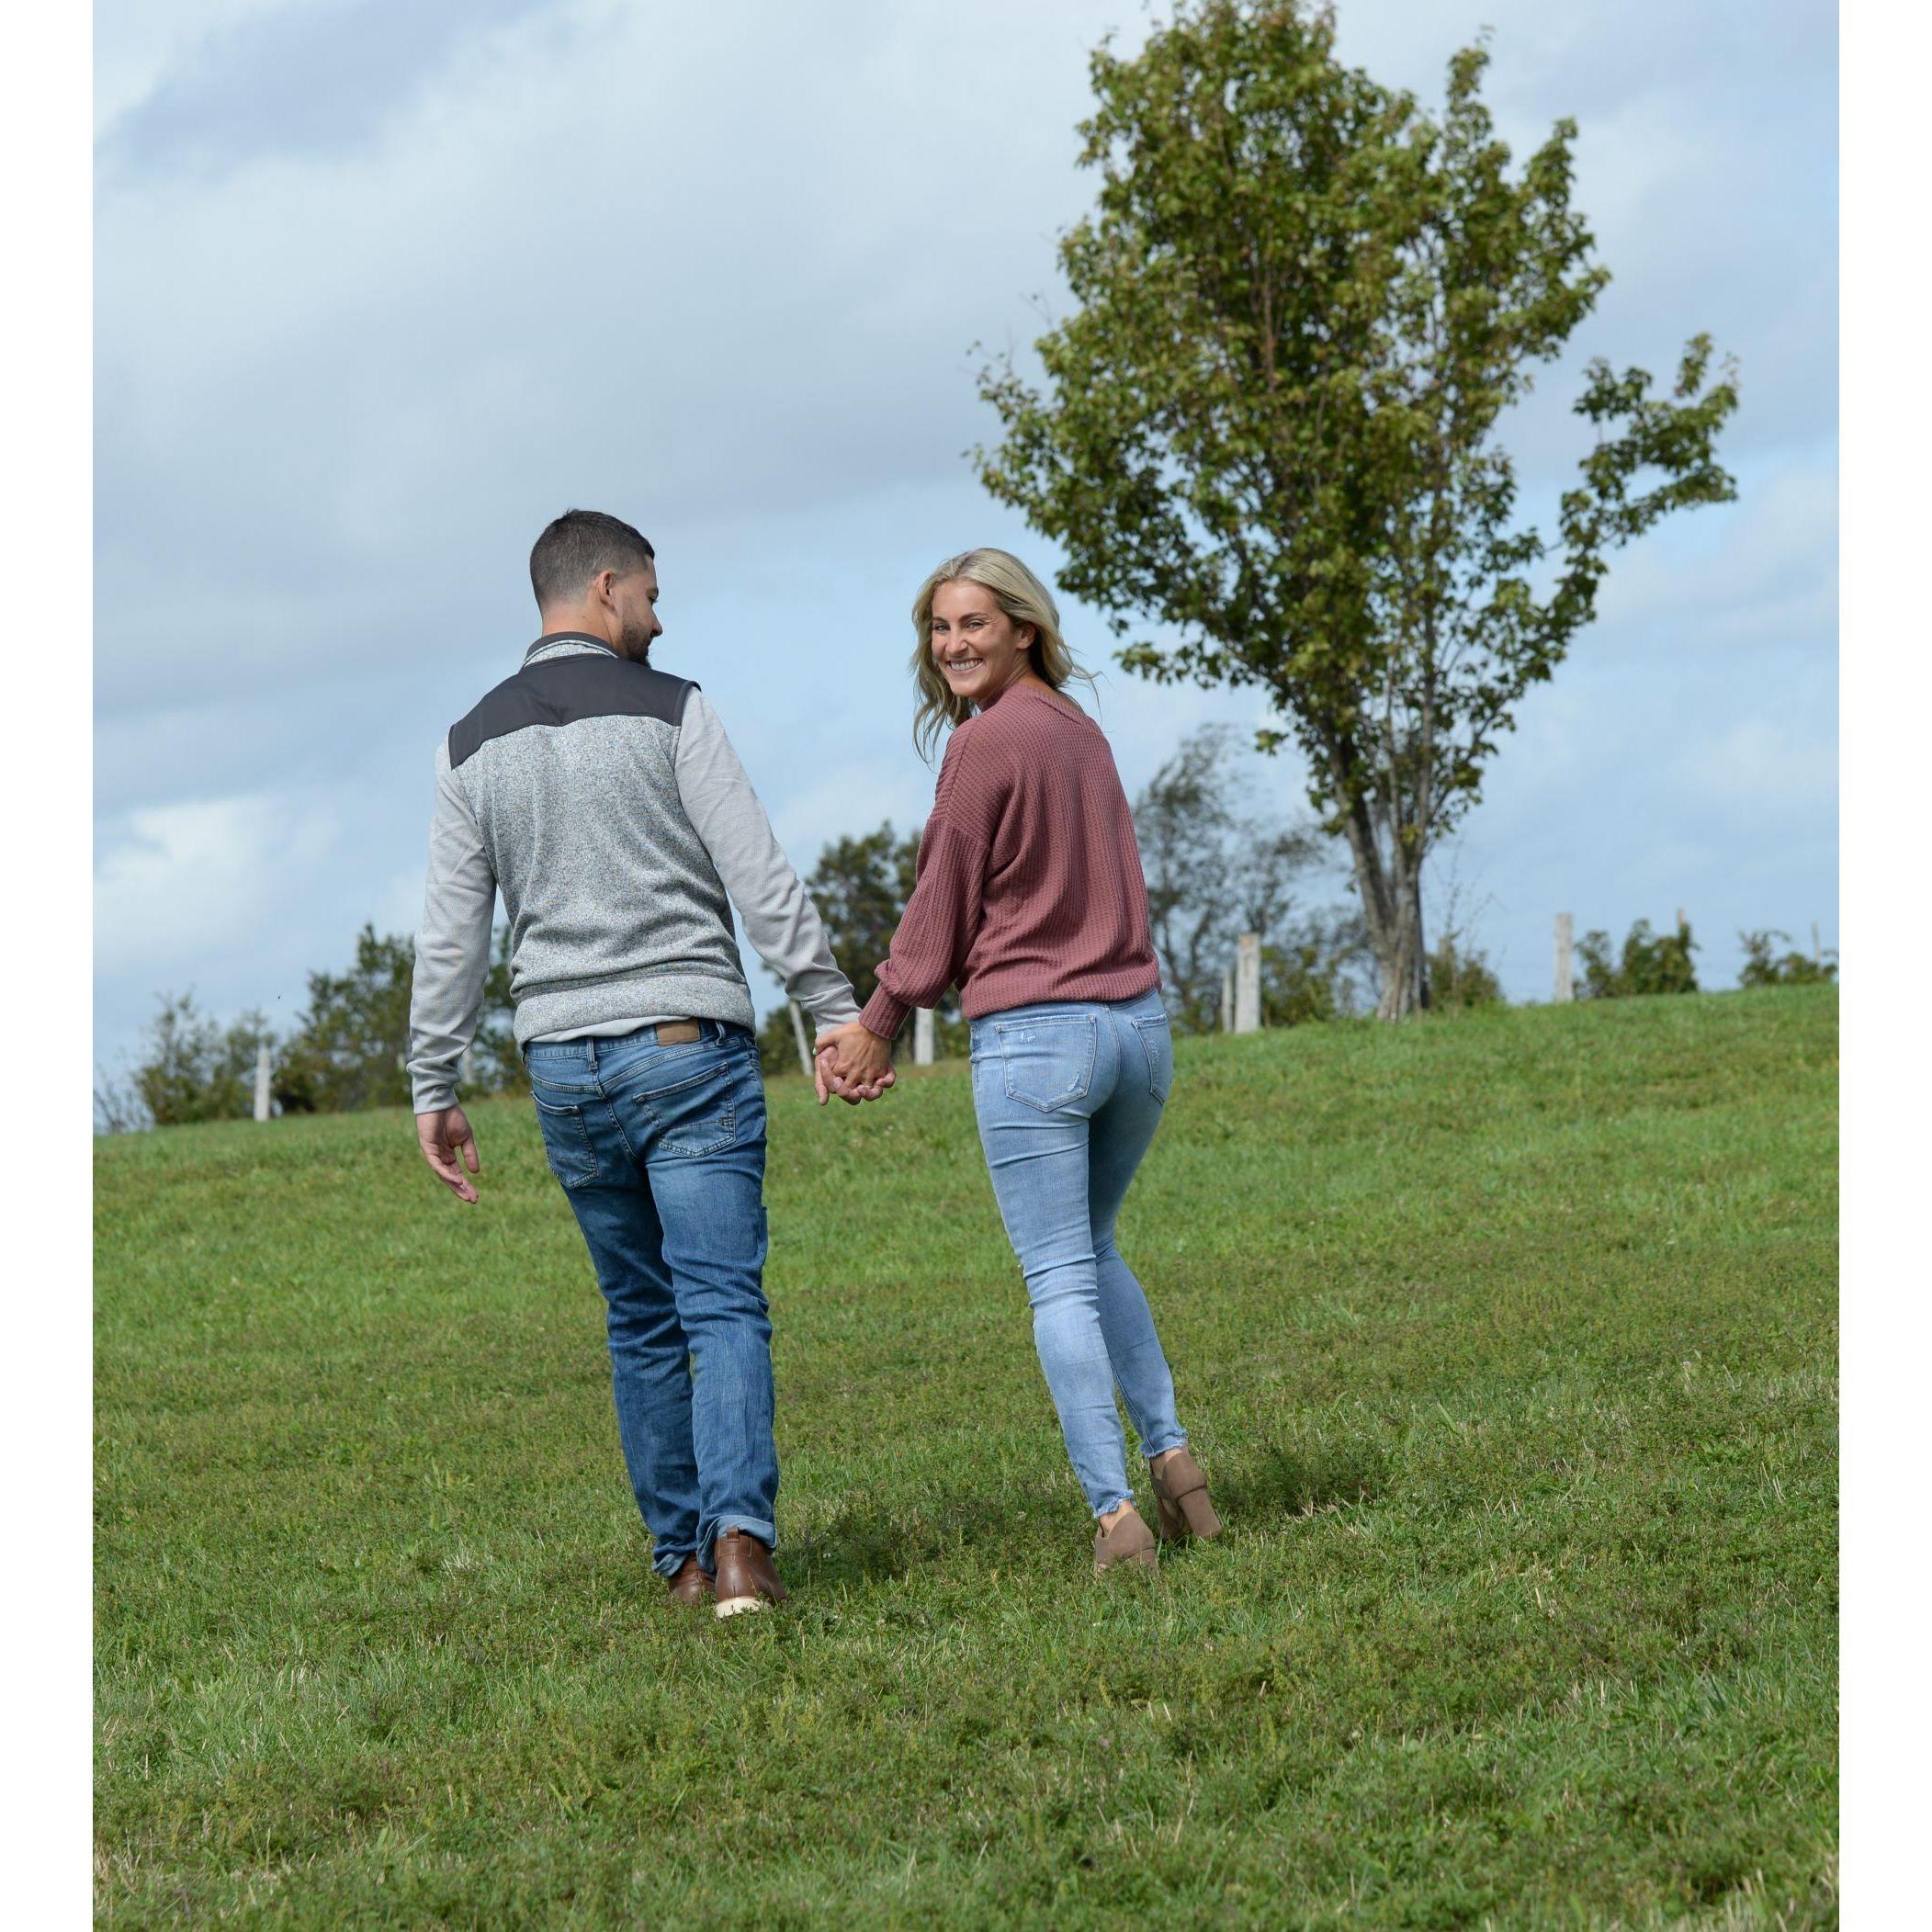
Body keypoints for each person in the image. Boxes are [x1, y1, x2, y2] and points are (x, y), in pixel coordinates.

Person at [407, 509, 887, 1619]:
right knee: (721, 1306)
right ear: (606, 587)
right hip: (686, 1048)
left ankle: (680, 1563)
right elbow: (759, 874)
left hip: (564, 1068)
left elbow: (450, 939)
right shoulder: (675, 709)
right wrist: (830, 1005)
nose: (659, 623)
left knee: (639, 1317)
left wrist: (435, 1084)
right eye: (653, 598)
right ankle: (741, 1553)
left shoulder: (467, 744)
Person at [815, 548, 1221, 1572]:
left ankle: (1115, 1518)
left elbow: (941, 895)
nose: (951, 645)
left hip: (1040, 1041)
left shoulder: (985, 744)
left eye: (973, 625)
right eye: (938, 628)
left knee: (1058, 1281)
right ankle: (1177, 1468)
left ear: (1023, 629)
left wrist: (878, 1019)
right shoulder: (1081, 732)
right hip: (1138, 1032)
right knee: (1095, 1249)